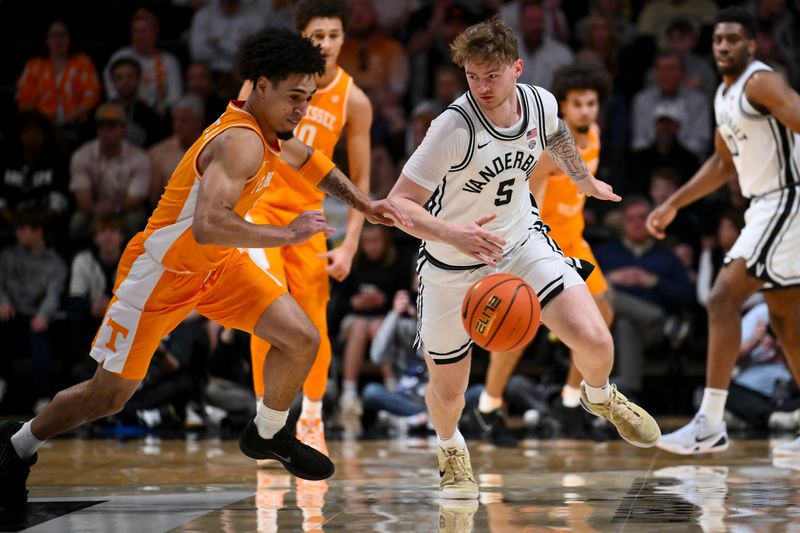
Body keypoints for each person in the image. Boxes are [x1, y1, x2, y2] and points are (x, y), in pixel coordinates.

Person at [0, 28, 408, 508]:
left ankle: (268, 433)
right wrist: (286, 233)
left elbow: (309, 160)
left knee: (302, 337)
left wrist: (365, 202)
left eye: (308, 97)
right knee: (107, 398)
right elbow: (208, 225)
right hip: (161, 274)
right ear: (260, 86)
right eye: (294, 97)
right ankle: (17, 445)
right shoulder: (240, 142)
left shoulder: (271, 130)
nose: (302, 109)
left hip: (219, 269)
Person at [387, 18, 660, 499]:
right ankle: (451, 448)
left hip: (521, 242)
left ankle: (599, 396)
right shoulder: (452, 126)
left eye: (492, 75)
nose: (482, 87)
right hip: (453, 263)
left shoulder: (540, 101)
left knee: (596, 339)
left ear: (517, 68)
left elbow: (556, 137)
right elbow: (397, 205)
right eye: (472, 76)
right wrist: (455, 233)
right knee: (448, 391)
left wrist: (583, 180)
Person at [647, 7, 800, 456]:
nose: (724, 47)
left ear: (751, 44)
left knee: (721, 298)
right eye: (717, 41)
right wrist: (673, 203)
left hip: (787, 199)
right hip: (765, 205)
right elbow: (720, 163)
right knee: (787, 323)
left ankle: (709, 423)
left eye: (733, 39)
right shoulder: (724, 94)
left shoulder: (760, 82)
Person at [238, 0, 373, 458]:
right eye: (318, 35)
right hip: (259, 215)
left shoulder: (354, 99)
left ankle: (312, 417)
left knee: (314, 323)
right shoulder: (268, 80)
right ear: (302, 37)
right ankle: (266, 423)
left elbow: (362, 181)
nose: (327, 43)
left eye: (335, 34)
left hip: (309, 219)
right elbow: (235, 138)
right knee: (266, 319)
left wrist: (351, 245)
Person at [477, 62, 617, 447]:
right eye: (578, 104)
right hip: (541, 242)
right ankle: (489, 407)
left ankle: (571, 403)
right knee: (518, 328)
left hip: (575, 239)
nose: (586, 110)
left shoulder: (596, 137)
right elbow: (528, 194)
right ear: (564, 109)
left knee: (603, 314)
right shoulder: (552, 150)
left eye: (591, 103)